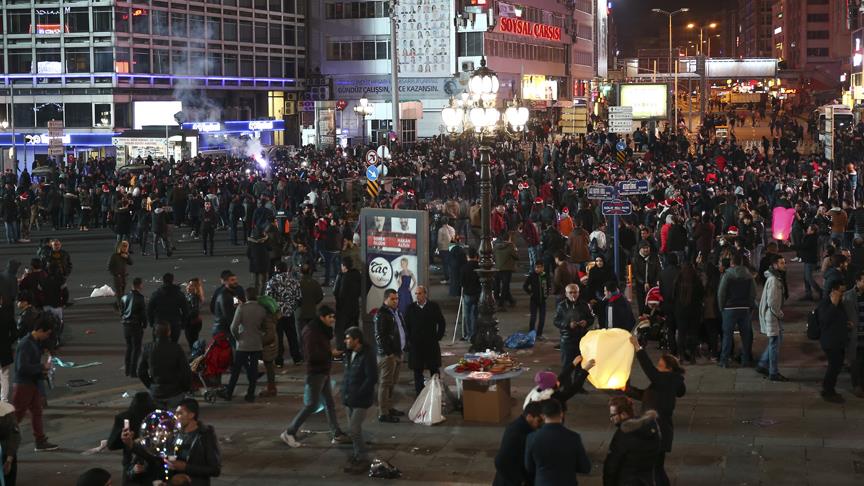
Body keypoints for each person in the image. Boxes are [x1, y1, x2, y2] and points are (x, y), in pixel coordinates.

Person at [280, 305, 349, 447]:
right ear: (322, 317)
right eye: (330, 317)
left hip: (323, 371)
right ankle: (289, 432)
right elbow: (311, 356)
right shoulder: (312, 332)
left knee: (329, 403)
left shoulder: (321, 330)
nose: (332, 320)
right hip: (315, 373)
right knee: (311, 405)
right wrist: (331, 353)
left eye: (333, 317)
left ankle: (336, 433)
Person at [626, 335, 686, 486]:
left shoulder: (667, 379)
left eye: (660, 365)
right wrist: (627, 389)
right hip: (655, 431)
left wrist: (638, 347)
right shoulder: (665, 382)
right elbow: (646, 395)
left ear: (669, 369)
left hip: (657, 432)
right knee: (655, 467)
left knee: (654, 468)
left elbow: (650, 371)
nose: (658, 368)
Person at [121, 398, 221, 485]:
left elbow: (215, 470)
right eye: (176, 413)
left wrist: (186, 467)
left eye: (180, 413)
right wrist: (130, 444)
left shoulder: (205, 436)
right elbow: (156, 454)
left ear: (191, 415)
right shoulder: (175, 434)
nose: (176, 416)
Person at [12, 317, 58, 451]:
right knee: (16, 417)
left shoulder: (35, 342)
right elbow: (22, 367)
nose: (47, 336)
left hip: (32, 383)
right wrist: (41, 367)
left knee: (37, 412)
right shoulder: (26, 344)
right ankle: (5, 442)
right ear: (39, 330)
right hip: (23, 385)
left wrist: (42, 373)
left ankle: (40, 441)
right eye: (47, 333)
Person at [524, 399, 591, 486]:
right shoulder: (574, 437)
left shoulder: (532, 437)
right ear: (561, 414)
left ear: (543, 416)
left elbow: (529, 467)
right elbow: (585, 468)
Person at [341, 326, 377, 473]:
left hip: (361, 399)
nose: (346, 341)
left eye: (349, 338)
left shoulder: (367, 355)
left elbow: (372, 377)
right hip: (349, 397)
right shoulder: (349, 354)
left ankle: (362, 457)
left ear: (357, 340)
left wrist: (360, 393)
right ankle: (357, 455)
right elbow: (348, 375)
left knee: (354, 428)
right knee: (353, 430)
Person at [603, 396, 662, 486]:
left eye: (613, 415)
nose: (611, 419)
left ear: (623, 414)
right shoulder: (650, 427)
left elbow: (611, 466)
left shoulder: (623, 434)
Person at [221, 287, 266, 402]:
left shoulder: (242, 308)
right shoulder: (262, 309)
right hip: (256, 343)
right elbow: (264, 327)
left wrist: (238, 338)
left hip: (243, 344)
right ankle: (251, 395)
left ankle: (229, 392)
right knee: (253, 369)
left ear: (246, 296)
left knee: (236, 370)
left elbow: (233, 327)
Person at [137, 322, 192, 408]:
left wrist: (151, 385)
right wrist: (185, 388)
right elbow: (186, 372)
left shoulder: (148, 348)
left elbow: (140, 372)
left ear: (155, 333)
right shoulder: (176, 348)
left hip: (156, 391)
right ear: (169, 332)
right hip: (174, 392)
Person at [404, 285, 446, 396]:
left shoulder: (433, 306)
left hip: (431, 344)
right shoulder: (410, 308)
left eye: (420, 293)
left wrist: (438, 336)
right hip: (416, 345)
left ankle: (435, 393)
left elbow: (441, 322)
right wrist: (409, 340)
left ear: (425, 294)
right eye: (416, 293)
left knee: (434, 370)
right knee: (417, 371)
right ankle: (420, 395)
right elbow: (406, 326)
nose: (417, 296)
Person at [717, 253, 757, 368]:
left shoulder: (727, 275)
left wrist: (722, 308)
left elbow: (721, 293)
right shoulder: (749, 276)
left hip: (729, 308)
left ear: (731, 263)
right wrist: (749, 305)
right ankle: (745, 360)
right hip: (744, 308)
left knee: (727, 335)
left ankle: (724, 361)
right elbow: (753, 293)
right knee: (746, 336)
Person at [492, 400, 544, 486]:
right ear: (529, 416)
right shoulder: (517, 432)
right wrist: (520, 481)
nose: (540, 424)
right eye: (539, 420)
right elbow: (500, 461)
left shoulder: (523, 428)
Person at [374, 289, 406, 423]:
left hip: (398, 352)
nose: (396, 301)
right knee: (385, 383)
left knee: (392, 383)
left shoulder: (396, 312)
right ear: (386, 299)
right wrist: (389, 353)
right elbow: (380, 336)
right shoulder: (382, 314)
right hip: (389, 355)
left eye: (397, 298)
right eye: (393, 299)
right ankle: (383, 412)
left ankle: (389, 407)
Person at [818, 280, 851, 403]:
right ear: (833, 291)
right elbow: (825, 320)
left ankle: (829, 388)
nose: (843, 294)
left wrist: (846, 323)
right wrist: (833, 304)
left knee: (836, 366)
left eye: (844, 291)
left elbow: (839, 318)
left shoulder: (840, 303)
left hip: (838, 340)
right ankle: (828, 391)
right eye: (841, 291)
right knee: (834, 366)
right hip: (830, 342)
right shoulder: (826, 303)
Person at [757, 254, 788, 381]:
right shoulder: (775, 280)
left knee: (776, 341)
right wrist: (780, 314)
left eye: (784, 262)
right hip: (772, 316)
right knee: (775, 343)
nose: (784, 265)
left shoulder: (775, 278)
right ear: (775, 265)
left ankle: (762, 364)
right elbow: (772, 303)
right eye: (781, 263)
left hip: (772, 315)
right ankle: (773, 372)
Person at [523, 356, 595, 411]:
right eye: (556, 380)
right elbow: (574, 388)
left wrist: (573, 364)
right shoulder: (554, 398)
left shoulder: (541, 389)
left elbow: (562, 377)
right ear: (553, 385)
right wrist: (585, 370)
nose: (558, 381)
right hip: (549, 421)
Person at [265, 262, 303, 366]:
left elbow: (268, 299)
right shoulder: (294, 281)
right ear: (286, 269)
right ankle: (297, 358)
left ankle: (279, 360)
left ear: (276, 269)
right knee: (292, 336)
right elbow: (299, 298)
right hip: (289, 313)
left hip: (277, 314)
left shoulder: (271, 282)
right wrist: (291, 307)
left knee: (279, 337)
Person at [553, 284, 593, 369]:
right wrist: (568, 325)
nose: (573, 295)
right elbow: (556, 321)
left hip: (581, 339)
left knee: (580, 365)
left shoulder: (584, 304)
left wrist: (586, 322)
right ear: (566, 294)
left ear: (578, 293)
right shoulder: (562, 306)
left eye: (575, 292)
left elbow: (591, 318)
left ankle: (577, 381)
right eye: (570, 293)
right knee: (567, 366)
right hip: (567, 339)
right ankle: (567, 382)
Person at [147, 273, 190, 344]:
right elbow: (185, 310)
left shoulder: (156, 294)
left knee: (158, 345)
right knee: (173, 344)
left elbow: (149, 309)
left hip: (159, 323)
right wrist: (183, 324)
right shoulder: (179, 294)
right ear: (172, 280)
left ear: (163, 281)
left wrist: (152, 322)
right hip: (174, 323)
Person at [333, 257, 362, 353]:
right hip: (355, 307)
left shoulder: (343, 277)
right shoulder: (357, 275)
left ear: (344, 266)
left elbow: (336, 292)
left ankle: (342, 348)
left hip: (343, 309)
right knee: (353, 327)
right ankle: (354, 346)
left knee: (342, 329)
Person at [843, 270, 864, 398]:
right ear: (857, 281)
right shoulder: (848, 296)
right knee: (856, 362)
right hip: (855, 336)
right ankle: (856, 385)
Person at [121, 277, 146, 378]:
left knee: (129, 347)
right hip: (136, 325)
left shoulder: (125, 297)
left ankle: (127, 370)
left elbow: (121, 310)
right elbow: (143, 314)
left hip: (126, 324)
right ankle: (133, 371)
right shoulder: (140, 298)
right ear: (140, 285)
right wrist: (145, 323)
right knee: (136, 348)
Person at [211, 270, 245, 337]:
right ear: (225, 282)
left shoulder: (233, 292)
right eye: (232, 280)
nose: (235, 282)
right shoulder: (224, 296)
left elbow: (237, 305)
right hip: (224, 331)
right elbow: (228, 316)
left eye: (235, 279)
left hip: (227, 329)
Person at [523, 261, 548, 340]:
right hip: (534, 300)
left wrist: (547, 293)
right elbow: (525, 286)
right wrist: (530, 293)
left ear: (543, 268)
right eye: (537, 267)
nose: (538, 269)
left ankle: (539, 334)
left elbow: (549, 285)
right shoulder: (532, 276)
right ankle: (531, 333)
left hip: (543, 300)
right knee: (533, 317)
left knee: (542, 318)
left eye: (540, 267)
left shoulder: (545, 275)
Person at [493, 231, 518, 309]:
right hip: (507, 268)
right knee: (505, 286)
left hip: (497, 268)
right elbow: (516, 256)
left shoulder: (495, 246)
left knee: (498, 285)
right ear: (508, 238)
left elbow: (493, 256)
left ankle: (510, 300)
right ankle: (501, 303)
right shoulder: (510, 246)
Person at [460, 247, 480, 340]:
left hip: (467, 293)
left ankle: (468, 334)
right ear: (476, 256)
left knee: (467, 315)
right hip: (476, 293)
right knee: (475, 315)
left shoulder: (464, 267)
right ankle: (474, 333)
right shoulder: (479, 267)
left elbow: (462, 282)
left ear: (468, 256)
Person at [108, 240, 133, 311]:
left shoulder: (125, 255)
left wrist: (127, 256)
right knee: (119, 293)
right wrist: (116, 274)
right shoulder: (114, 256)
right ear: (120, 247)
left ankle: (117, 304)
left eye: (126, 247)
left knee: (122, 292)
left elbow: (131, 263)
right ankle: (121, 308)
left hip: (124, 277)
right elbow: (109, 267)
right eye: (123, 247)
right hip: (117, 277)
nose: (125, 248)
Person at [0, 400, 20, 485]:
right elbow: (14, 437)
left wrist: (9, 460)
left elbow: (13, 437)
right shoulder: (7, 411)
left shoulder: (6, 412)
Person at [184, 278, 205, 348]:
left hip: (192, 322)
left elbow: (194, 310)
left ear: (195, 287)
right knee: (193, 340)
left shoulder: (193, 297)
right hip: (195, 322)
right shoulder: (190, 295)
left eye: (192, 285)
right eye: (189, 284)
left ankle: (196, 356)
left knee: (192, 341)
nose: (189, 286)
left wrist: (185, 317)